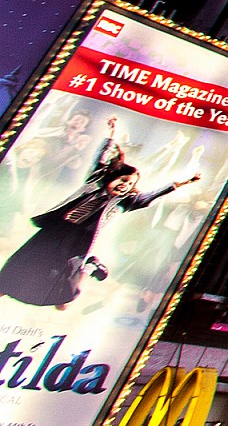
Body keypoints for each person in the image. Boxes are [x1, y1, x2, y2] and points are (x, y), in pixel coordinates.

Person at [0, 119, 200, 307]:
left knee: (63, 301)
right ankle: (6, 285)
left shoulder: (126, 202)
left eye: (130, 184)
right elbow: (101, 158)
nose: (125, 186)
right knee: (23, 264)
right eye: (122, 180)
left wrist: (184, 183)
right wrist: (111, 134)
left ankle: (90, 268)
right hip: (55, 231)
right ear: (112, 178)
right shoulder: (93, 184)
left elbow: (156, 194)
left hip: (79, 241)